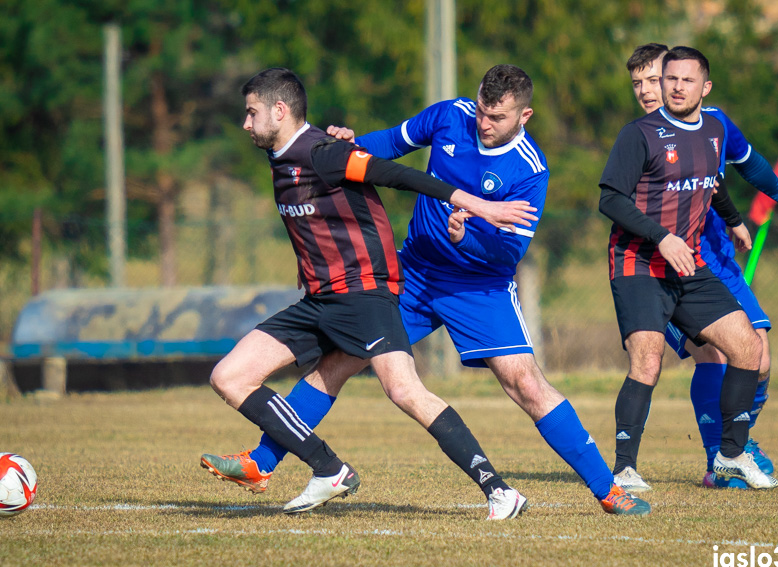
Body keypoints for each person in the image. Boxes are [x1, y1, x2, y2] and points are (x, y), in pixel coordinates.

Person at [204, 64, 651, 516]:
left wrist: (466, 237)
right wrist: (345, 144)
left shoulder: (531, 170)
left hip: (479, 286)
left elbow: (507, 254)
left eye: (497, 117)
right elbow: (393, 145)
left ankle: (607, 490)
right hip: (413, 273)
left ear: (525, 116)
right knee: (339, 360)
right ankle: (263, 461)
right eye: (481, 111)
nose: (483, 123)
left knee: (526, 385)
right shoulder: (450, 115)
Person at [611, 44, 778, 492]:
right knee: (668, 359)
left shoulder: (712, 125)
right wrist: (665, 238)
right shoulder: (641, 134)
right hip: (646, 263)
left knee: (753, 350)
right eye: (643, 83)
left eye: (660, 79)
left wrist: (740, 218)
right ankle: (648, 465)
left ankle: (734, 451)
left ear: (701, 85)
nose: (652, 91)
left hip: (702, 258)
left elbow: (718, 175)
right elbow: (613, 199)